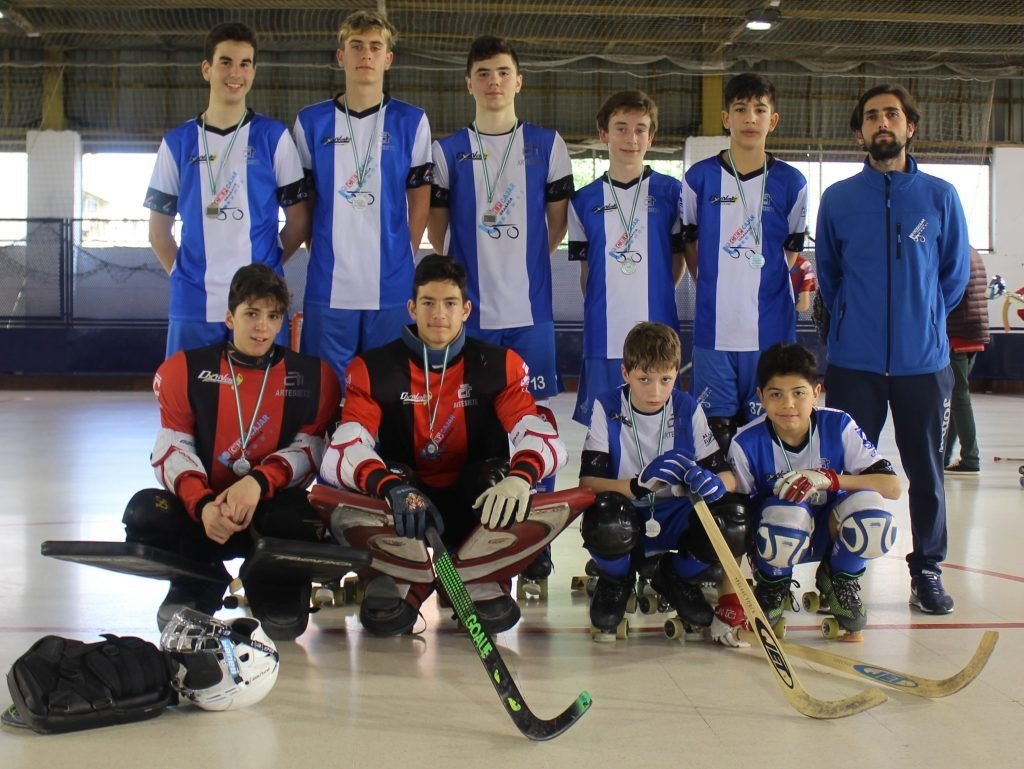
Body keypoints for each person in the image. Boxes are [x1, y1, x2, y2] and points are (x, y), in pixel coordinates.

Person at [320, 253, 566, 636]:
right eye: (428, 303)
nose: (439, 314)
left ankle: (479, 574)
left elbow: (542, 436)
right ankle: (398, 576)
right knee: (386, 477)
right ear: (412, 307)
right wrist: (390, 486)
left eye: (450, 303)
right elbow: (341, 450)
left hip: (475, 499)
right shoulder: (372, 368)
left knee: (494, 476)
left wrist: (520, 478)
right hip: (406, 503)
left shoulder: (499, 365)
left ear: (466, 309)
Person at [816, 83, 970, 614]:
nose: (882, 122)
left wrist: (921, 319)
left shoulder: (940, 196)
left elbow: (952, 277)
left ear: (910, 127)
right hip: (853, 365)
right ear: (860, 133)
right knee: (845, 471)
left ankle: (926, 570)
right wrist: (852, 321)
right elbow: (830, 276)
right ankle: (839, 570)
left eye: (892, 114)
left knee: (927, 472)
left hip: (922, 364)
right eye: (872, 116)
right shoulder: (838, 199)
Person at [124, 265, 341, 639]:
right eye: (251, 314)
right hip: (203, 512)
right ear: (230, 317)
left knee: (302, 520)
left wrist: (257, 483)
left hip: (270, 508)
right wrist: (204, 505)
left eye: (273, 316)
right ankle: (199, 576)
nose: (262, 327)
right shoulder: (184, 370)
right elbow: (172, 448)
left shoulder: (314, 377)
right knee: (144, 513)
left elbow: (310, 449)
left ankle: (272, 580)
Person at [428, 35, 574, 579]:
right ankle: (476, 533)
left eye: (503, 72)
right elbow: (439, 233)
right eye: (484, 73)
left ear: (519, 81)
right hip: (473, 320)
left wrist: (520, 264)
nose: (494, 82)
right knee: (474, 426)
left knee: (536, 423)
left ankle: (536, 540)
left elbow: (555, 226)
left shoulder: (547, 144)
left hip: (531, 315)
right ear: (469, 83)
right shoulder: (447, 151)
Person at [578, 321, 750, 645]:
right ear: (625, 373)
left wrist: (713, 483)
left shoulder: (687, 407)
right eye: (644, 379)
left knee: (732, 520)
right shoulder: (606, 406)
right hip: (628, 510)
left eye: (665, 379)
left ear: (676, 375)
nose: (655, 391)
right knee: (603, 520)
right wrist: (636, 486)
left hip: (675, 513)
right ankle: (616, 581)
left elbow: (728, 476)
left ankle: (675, 574)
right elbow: (588, 483)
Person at [145, 21, 309, 358]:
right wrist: (184, 276)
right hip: (195, 301)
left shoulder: (274, 138)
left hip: (259, 303)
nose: (235, 73)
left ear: (253, 72)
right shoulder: (176, 143)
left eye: (245, 63)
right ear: (206, 69)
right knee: (189, 389)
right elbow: (158, 232)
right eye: (226, 62)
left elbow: (299, 221)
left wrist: (267, 269)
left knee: (263, 390)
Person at [293, 10, 433, 383]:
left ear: (388, 58)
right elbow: (304, 204)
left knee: (389, 389)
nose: (366, 54)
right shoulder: (310, 122)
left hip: (391, 284)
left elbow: (420, 200)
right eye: (356, 46)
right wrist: (321, 250)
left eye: (375, 47)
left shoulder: (412, 121)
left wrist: (403, 253)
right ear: (341, 56)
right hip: (329, 284)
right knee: (325, 392)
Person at [729, 343, 901, 638]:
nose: (788, 404)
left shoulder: (839, 425)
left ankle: (839, 578)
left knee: (874, 517)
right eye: (776, 394)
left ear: (816, 392)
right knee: (786, 513)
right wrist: (732, 594)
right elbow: (739, 515)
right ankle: (773, 585)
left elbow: (892, 487)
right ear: (760, 397)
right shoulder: (745, 442)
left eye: (799, 393)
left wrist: (831, 479)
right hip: (777, 536)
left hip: (828, 527)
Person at [680, 72, 808, 453]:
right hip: (714, 331)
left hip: (771, 331)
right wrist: (714, 283)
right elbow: (690, 242)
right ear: (726, 118)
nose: (750, 118)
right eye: (740, 109)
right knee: (715, 438)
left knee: (768, 435)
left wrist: (761, 278)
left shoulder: (793, 182)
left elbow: (791, 250)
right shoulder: (699, 178)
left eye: (759, 110)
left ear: (773, 119)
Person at [568, 90, 685, 426]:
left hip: (659, 330)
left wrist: (656, 292)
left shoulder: (672, 193)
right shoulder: (582, 200)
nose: (631, 138)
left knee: (660, 426)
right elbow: (586, 273)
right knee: (605, 428)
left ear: (651, 137)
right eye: (621, 128)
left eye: (640, 129)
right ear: (603, 134)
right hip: (603, 332)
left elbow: (677, 262)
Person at [944, 247, 990, 475]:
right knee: (955, 396)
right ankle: (944, 456)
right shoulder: (972, 252)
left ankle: (971, 458)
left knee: (959, 396)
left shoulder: (954, 253)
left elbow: (949, 293)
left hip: (959, 332)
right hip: (974, 330)